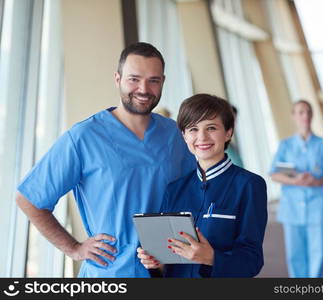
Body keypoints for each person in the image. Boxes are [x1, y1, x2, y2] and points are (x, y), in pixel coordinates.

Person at [15, 42, 195, 277]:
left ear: (163, 82)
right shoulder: (83, 137)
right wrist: (74, 248)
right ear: (117, 78)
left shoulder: (174, 134)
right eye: (134, 79)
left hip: (166, 270)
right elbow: (29, 199)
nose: (144, 89)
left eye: (153, 80)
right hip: (109, 273)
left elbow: (194, 196)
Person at [137, 94, 268, 277]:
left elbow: (252, 260)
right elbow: (168, 257)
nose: (202, 137)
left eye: (211, 128)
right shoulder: (174, 189)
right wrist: (155, 262)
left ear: (228, 132)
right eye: (193, 129)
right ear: (184, 136)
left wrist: (212, 258)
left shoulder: (249, 185)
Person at [269, 100, 323, 278]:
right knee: (295, 255)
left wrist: (316, 182)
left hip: (318, 206)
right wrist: (296, 181)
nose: (305, 116)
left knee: (319, 254)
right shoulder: (285, 145)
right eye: (300, 112)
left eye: (308, 112)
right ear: (294, 116)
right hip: (291, 207)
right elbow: (274, 173)